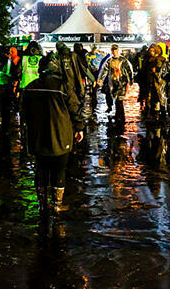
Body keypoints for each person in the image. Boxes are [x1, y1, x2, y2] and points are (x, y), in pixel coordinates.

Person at [20, 55, 85, 227]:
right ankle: (56, 206)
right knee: (59, 171)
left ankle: (42, 205)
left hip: (38, 137)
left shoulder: (31, 87)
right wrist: (79, 127)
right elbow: (74, 109)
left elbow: (23, 113)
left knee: (40, 170)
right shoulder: (63, 86)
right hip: (60, 137)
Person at [96, 45, 134, 123]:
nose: (114, 51)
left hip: (122, 82)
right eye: (113, 50)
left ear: (118, 50)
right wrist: (100, 79)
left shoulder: (123, 60)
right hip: (113, 82)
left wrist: (130, 79)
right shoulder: (109, 61)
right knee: (116, 99)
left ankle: (121, 117)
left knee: (119, 99)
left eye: (115, 49)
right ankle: (118, 115)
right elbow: (104, 70)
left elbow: (129, 69)